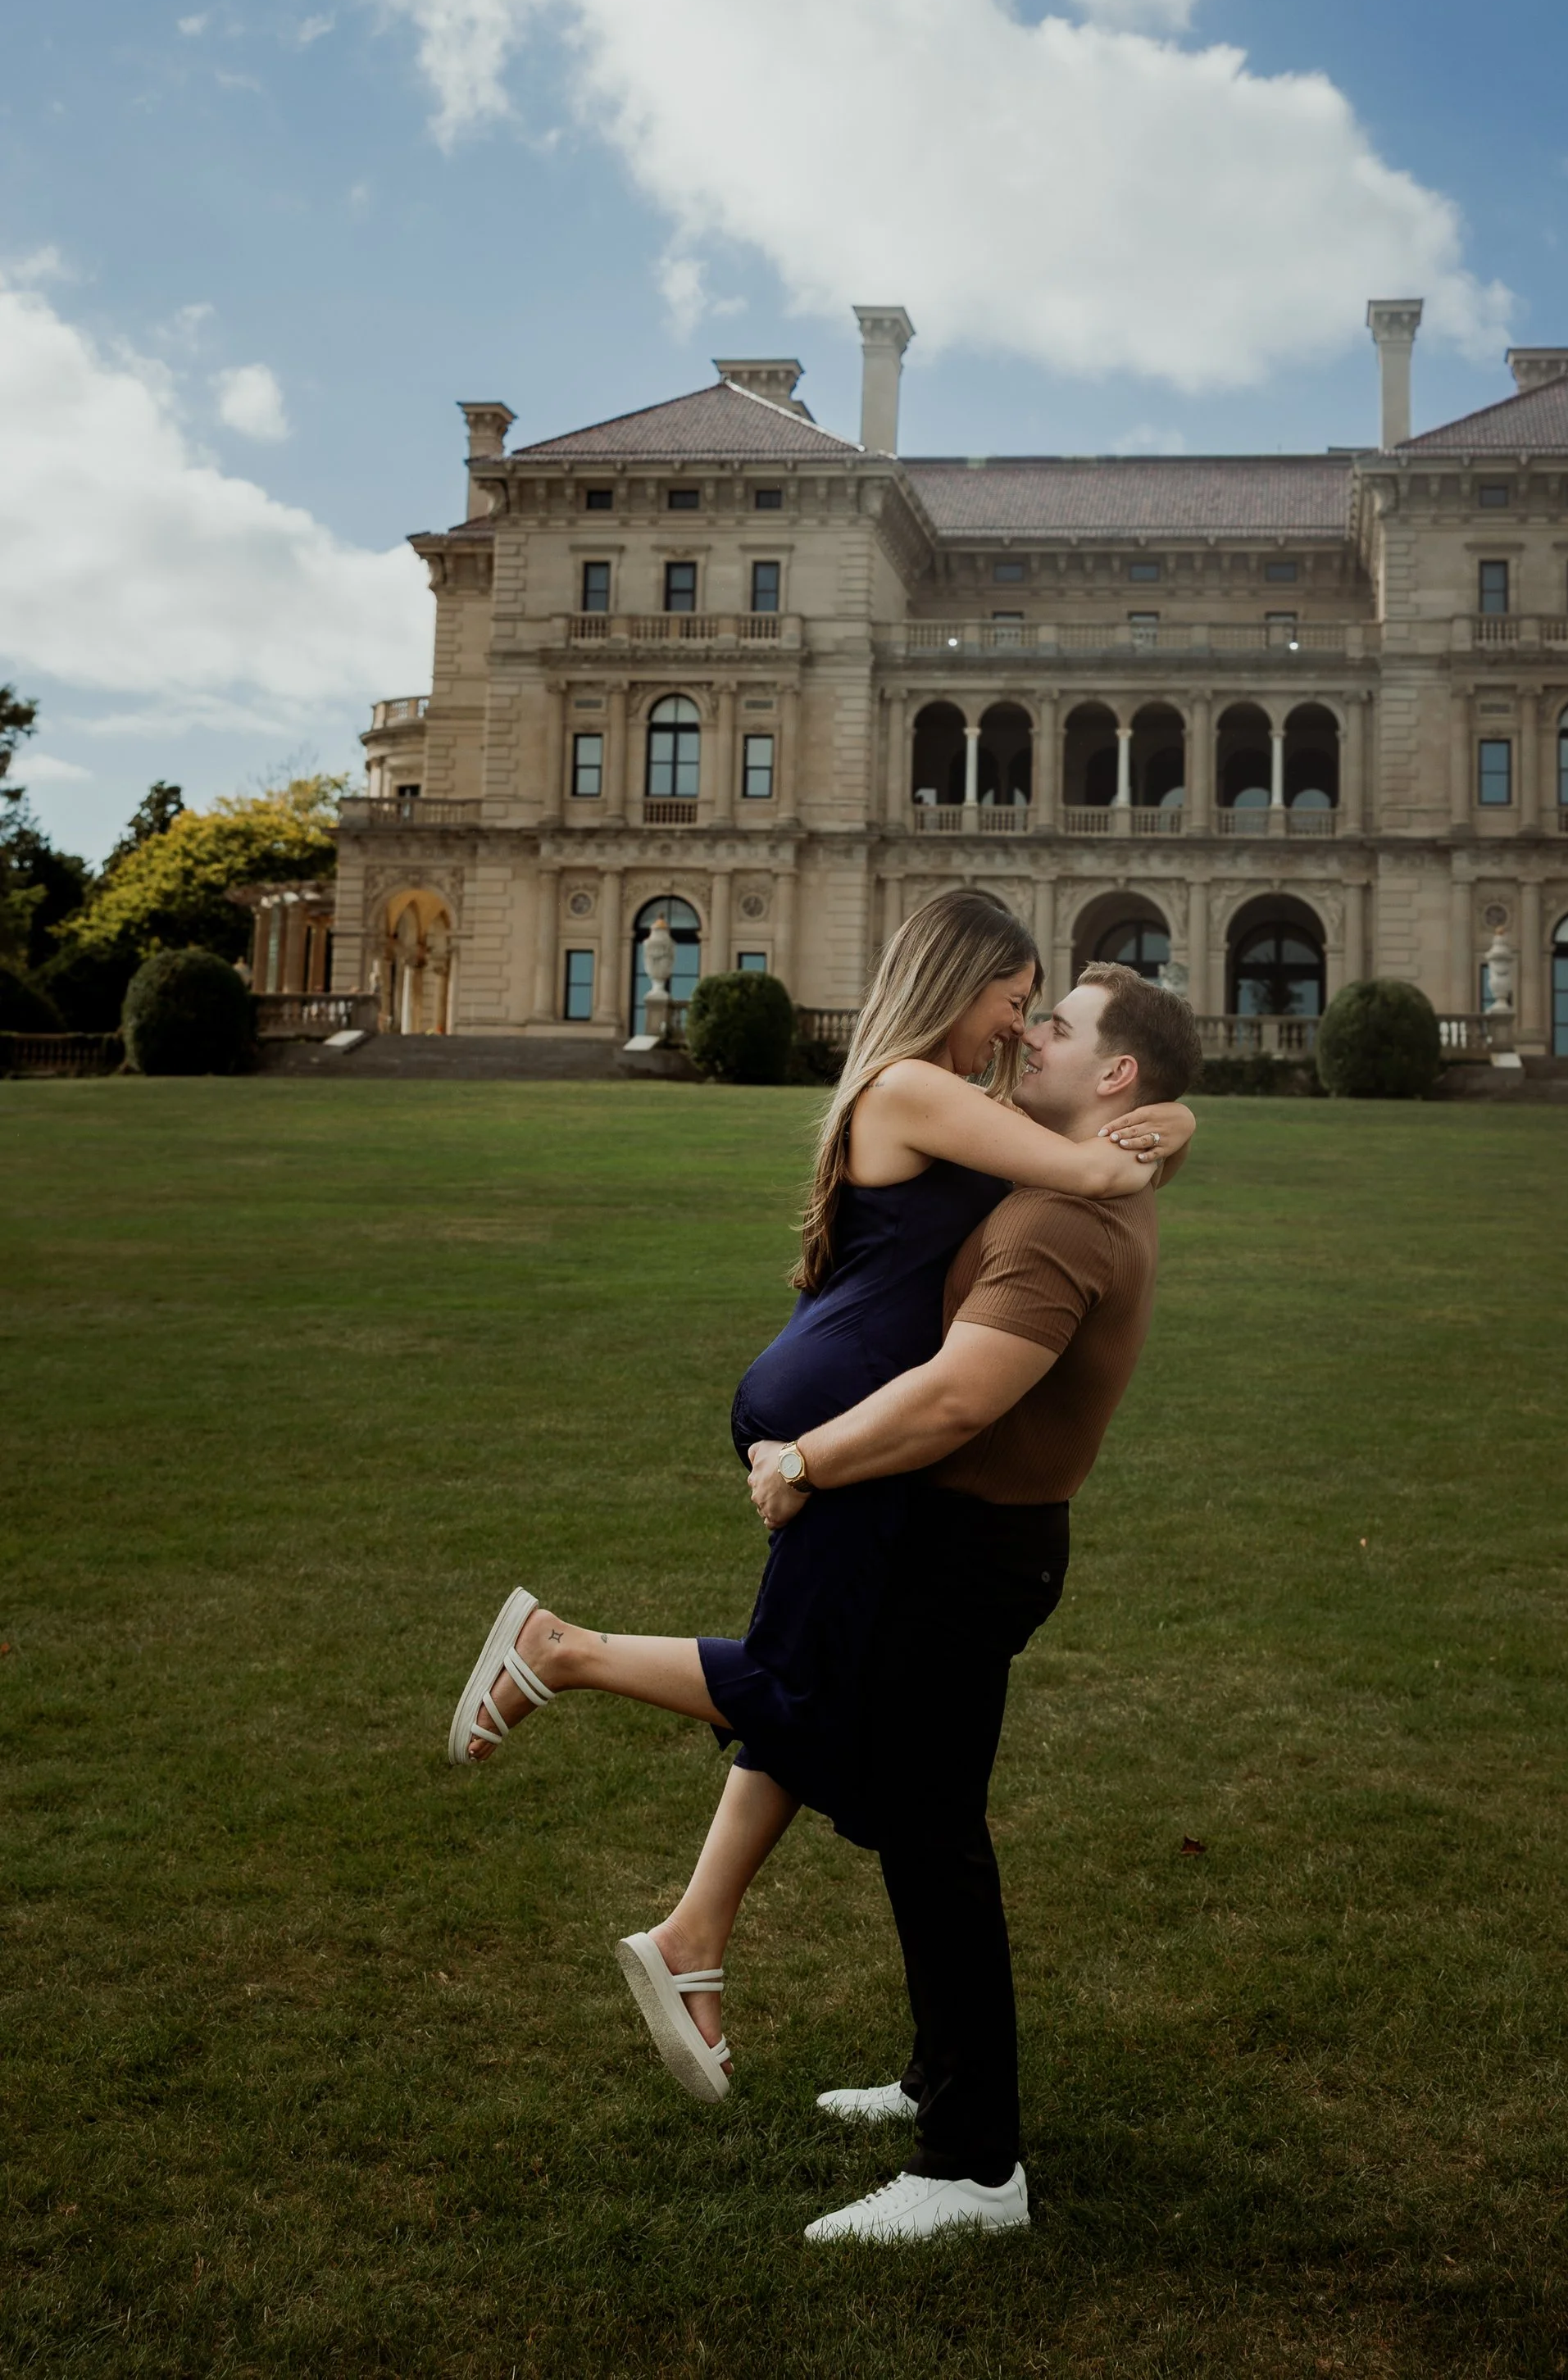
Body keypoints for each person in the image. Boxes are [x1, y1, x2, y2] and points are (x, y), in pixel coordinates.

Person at [444, 892, 1193, 2103]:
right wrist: (1153, 1130)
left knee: (817, 1679)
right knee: (807, 1685)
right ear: (961, 981)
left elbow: (1107, 1132)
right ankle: (558, 1652)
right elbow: (1082, 1162)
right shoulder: (914, 1087)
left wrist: (1171, 1112)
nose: (1018, 1028)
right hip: (834, 1414)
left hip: (843, 1412)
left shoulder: (958, 1100)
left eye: (1043, 1016)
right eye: (1015, 1001)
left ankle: (696, 1937)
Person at [751, 960, 1204, 2244]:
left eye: (1054, 1027)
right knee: (916, 1823)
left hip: (974, 1550)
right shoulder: (1066, 1166)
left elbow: (958, 1397)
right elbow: (1162, 1117)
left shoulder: (1062, 1221)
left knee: (935, 1836)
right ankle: (937, 2082)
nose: (1027, 1031)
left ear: (1112, 1074)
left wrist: (804, 1459)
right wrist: (1178, 1116)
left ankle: (973, 2167)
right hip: (975, 1538)